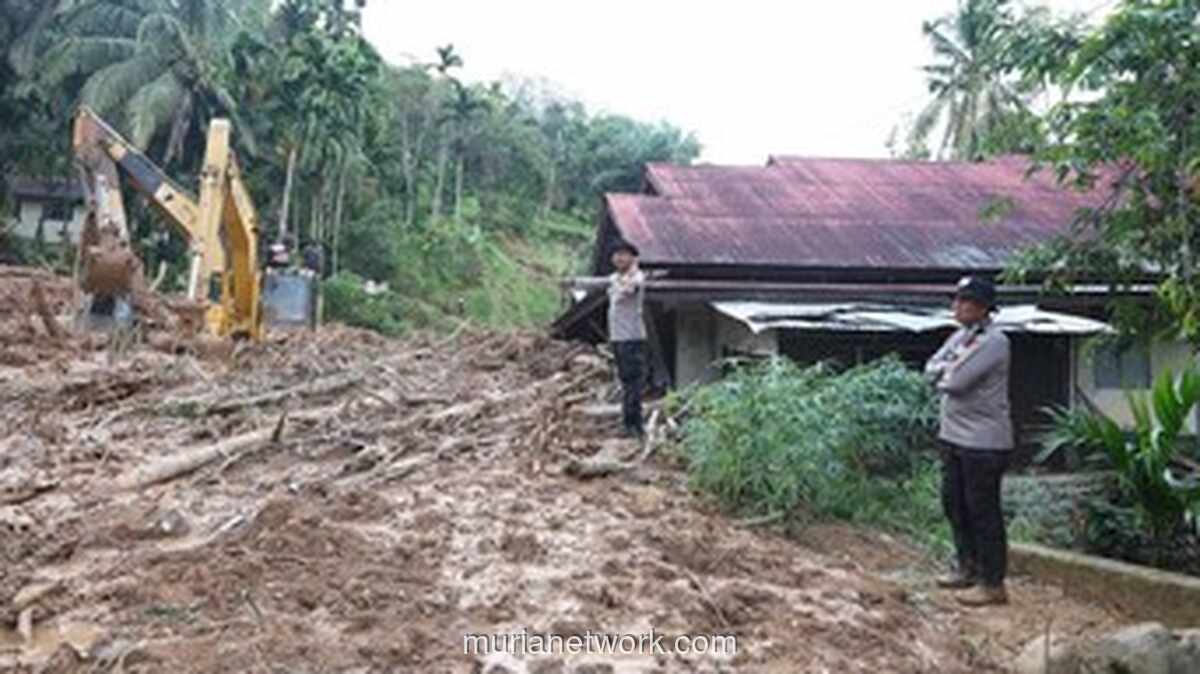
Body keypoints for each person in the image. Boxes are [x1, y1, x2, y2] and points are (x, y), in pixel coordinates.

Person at [924, 275, 1014, 607]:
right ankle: (968, 568)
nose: (957, 306)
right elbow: (930, 369)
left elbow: (955, 382)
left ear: (983, 308)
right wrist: (945, 369)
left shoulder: (995, 342)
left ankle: (993, 583)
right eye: (957, 299)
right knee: (955, 505)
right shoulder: (960, 337)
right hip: (954, 436)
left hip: (984, 442)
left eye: (964, 301)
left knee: (983, 511)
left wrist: (945, 371)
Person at [607, 239, 647, 439]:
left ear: (633, 258)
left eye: (624, 254)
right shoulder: (614, 278)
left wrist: (633, 270)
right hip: (618, 337)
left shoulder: (637, 277)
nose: (619, 258)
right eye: (616, 254)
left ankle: (635, 425)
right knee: (626, 381)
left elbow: (628, 289)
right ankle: (627, 422)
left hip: (632, 337)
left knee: (634, 382)